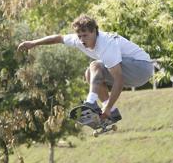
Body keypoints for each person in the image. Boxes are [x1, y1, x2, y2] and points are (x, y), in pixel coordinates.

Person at [17, 15, 153, 121]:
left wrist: (108, 105)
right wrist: (33, 43)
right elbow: (58, 38)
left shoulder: (106, 45)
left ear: (94, 31)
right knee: (90, 74)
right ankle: (111, 113)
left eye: (85, 35)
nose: (82, 40)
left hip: (141, 67)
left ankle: (91, 103)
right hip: (133, 73)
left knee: (95, 65)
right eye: (80, 36)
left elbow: (119, 80)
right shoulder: (78, 40)